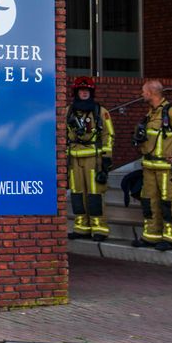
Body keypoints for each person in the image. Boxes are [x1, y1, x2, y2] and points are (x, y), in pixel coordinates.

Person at [133, 79, 172, 251]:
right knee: (149, 202)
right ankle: (151, 236)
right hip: (150, 167)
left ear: (152, 92)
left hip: (169, 169)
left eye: (143, 91)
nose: (142, 94)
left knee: (169, 203)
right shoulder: (150, 114)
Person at [65, 77, 114, 242]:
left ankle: (99, 228)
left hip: (94, 159)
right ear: (76, 93)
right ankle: (81, 227)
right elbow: (62, 135)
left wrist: (106, 158)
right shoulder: (68, 111)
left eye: (87, 91)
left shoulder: (101, 112)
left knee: (95, 194)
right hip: (74, 159)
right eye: (81, 91)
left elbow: (109, 135)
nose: (84, 93)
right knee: (77, 194)